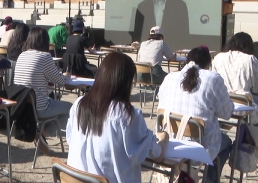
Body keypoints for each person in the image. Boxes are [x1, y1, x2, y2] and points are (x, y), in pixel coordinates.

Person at [66, 52, 169, 181]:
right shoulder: (127, 116)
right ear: (127, 82)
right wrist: (164, 139)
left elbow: (70, 139)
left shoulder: (78, 105)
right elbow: (156, 154)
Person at [158, 47, 233, 182]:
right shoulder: (213, 78)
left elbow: (160, 106)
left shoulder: (170, 77)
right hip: (198, 148)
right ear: (208, 64)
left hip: (170, 142)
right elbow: (227, 113)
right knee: (226, 142)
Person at [14, 27, 71, 153]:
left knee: (52, 101)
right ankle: (44, 131)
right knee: (71, 109)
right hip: (39, 107)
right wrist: (67, 76)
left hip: (23, 106)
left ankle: (40, 131)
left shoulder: (22, 55)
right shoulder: (45, 57)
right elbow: (61, 81)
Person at [212, 32, 258, 123]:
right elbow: (256, 88)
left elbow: (213, 82)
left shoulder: (218, 57)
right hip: (245, 105)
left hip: (223, 102)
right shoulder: (250, 59)